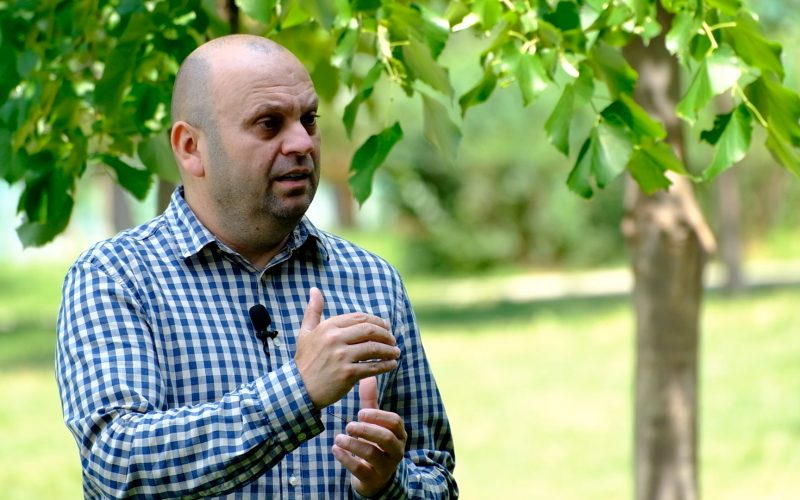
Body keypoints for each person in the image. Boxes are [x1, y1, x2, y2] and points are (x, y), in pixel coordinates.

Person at [56, 34, 457, 498]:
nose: (302, 142)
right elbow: (117, 466)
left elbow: (436, 474)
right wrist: (299, 390)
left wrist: (386, 484)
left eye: (309, 119)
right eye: (269, 124)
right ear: (190, 147)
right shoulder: (115, 277)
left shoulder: (372, 280)